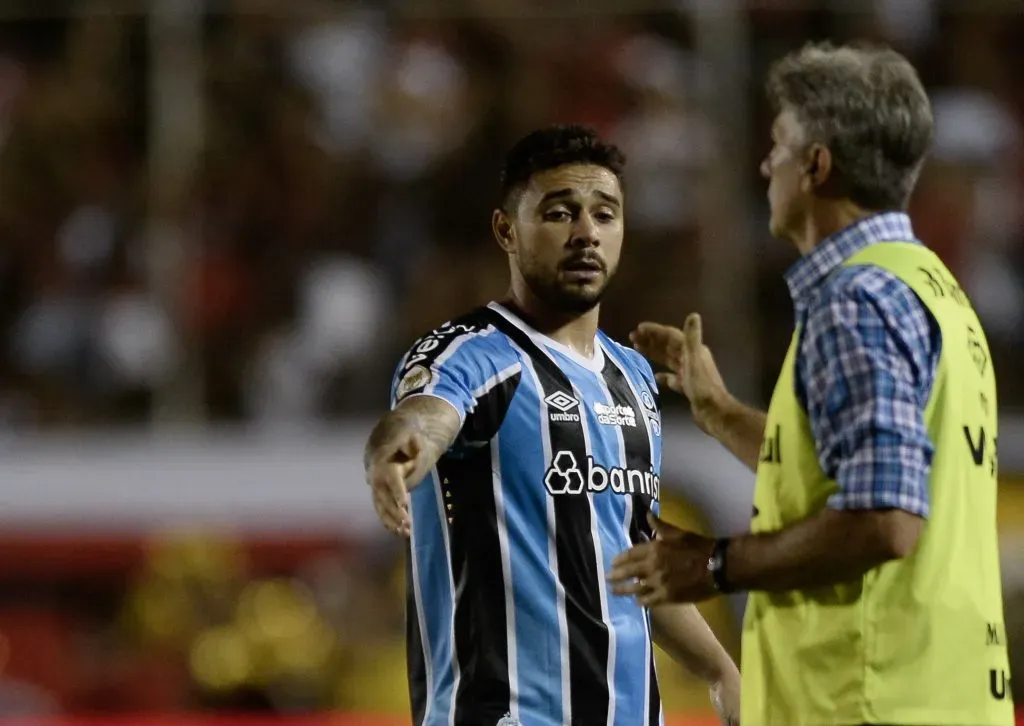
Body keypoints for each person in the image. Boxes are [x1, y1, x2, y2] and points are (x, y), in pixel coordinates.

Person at [607, 41, 1015, 726]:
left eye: (779, 143)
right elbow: (861, 469)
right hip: (940, 694)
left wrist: (714, 566)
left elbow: (884, 520)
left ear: (816, 165)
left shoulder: (856, 300)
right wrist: (721, 412)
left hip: (866, 703)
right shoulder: (930, 288)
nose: (767, 164)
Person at [364, 125, 740, 726]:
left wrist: (721, 672)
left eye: (605, 214)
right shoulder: (474, 355)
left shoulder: (635, 377)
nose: (586, 233)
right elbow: (422, 417)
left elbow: (628, 551)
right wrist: (393, 449)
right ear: (506, 230)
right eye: (560, 213)